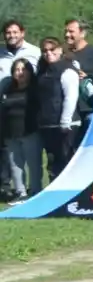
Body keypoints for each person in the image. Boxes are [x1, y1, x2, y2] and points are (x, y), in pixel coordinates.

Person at [34, 37, 79, 176]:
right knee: (53, 164)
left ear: (60, 50)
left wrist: (65, 121)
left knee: (67, 162)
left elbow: (70, 97)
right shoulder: (42, 71)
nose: (48, 53)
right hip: (48, 125)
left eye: (52, 49)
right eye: (45, 50)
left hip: (67, 125)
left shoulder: (67, 70)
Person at [1, 59, 40, 200]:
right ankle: (20, 192)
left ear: (30, 71)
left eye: (23, 69)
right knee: (15, 165)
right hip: (10, 133)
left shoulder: (35, 89)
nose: (20, 72)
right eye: (17, 70)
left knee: (33, 164)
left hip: (30, 131)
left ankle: (35, 191)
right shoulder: (7, 88)